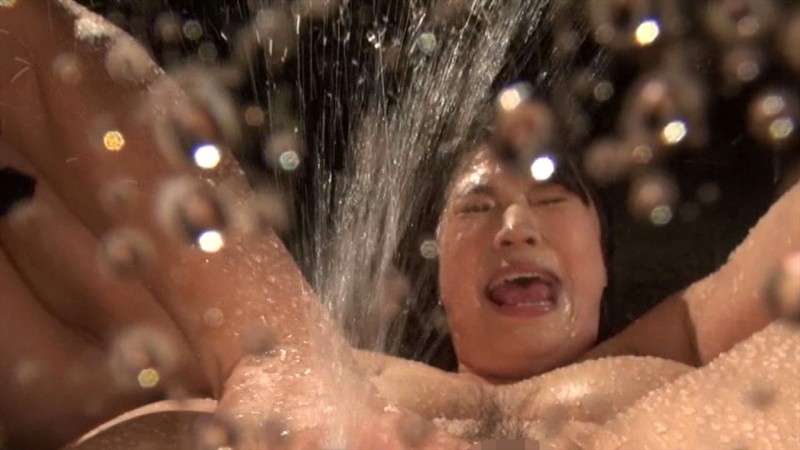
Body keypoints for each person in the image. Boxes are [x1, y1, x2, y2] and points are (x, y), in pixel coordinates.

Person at [0, 1, 798, 449]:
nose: (515, 225)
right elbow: (26, 32)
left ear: (603, 263)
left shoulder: (688, 348)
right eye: (475, 207)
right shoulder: (305, 365)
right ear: (437, 276)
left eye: (554, 199)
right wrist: (276, 355)